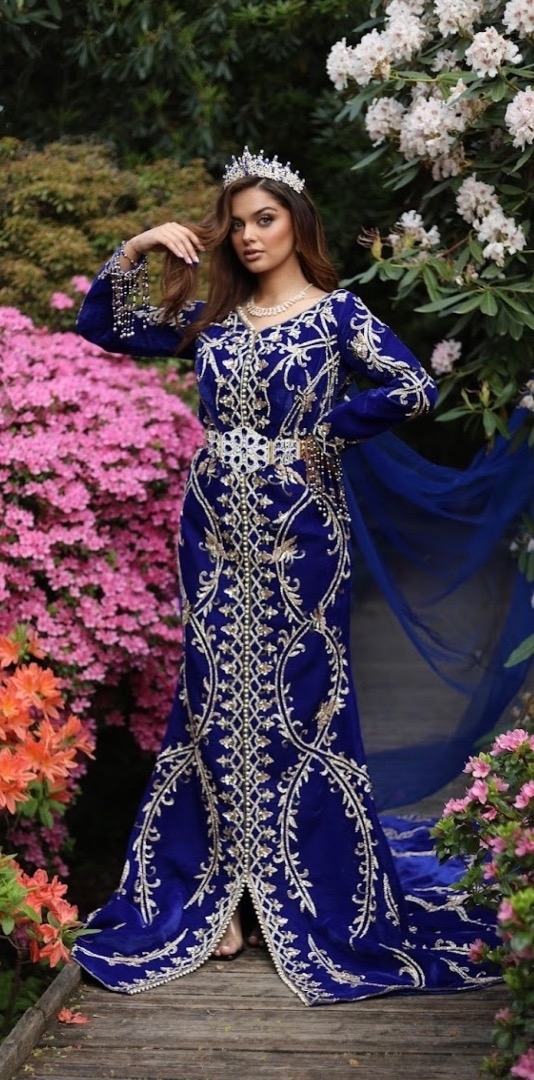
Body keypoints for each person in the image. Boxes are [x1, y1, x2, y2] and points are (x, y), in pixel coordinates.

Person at [71, 147, 503, 1005]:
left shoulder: (337, 315)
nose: (248, 235)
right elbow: (105, 327)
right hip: (211, 530)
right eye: (236, 223)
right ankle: (219, 895)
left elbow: (412, 386)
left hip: (303, 533)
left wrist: (331, 429)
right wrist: (138, 247)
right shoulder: (213, 317)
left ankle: (298, 893)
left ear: (297, 223)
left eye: (264, 219)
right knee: (212, 700)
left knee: (300, 703)